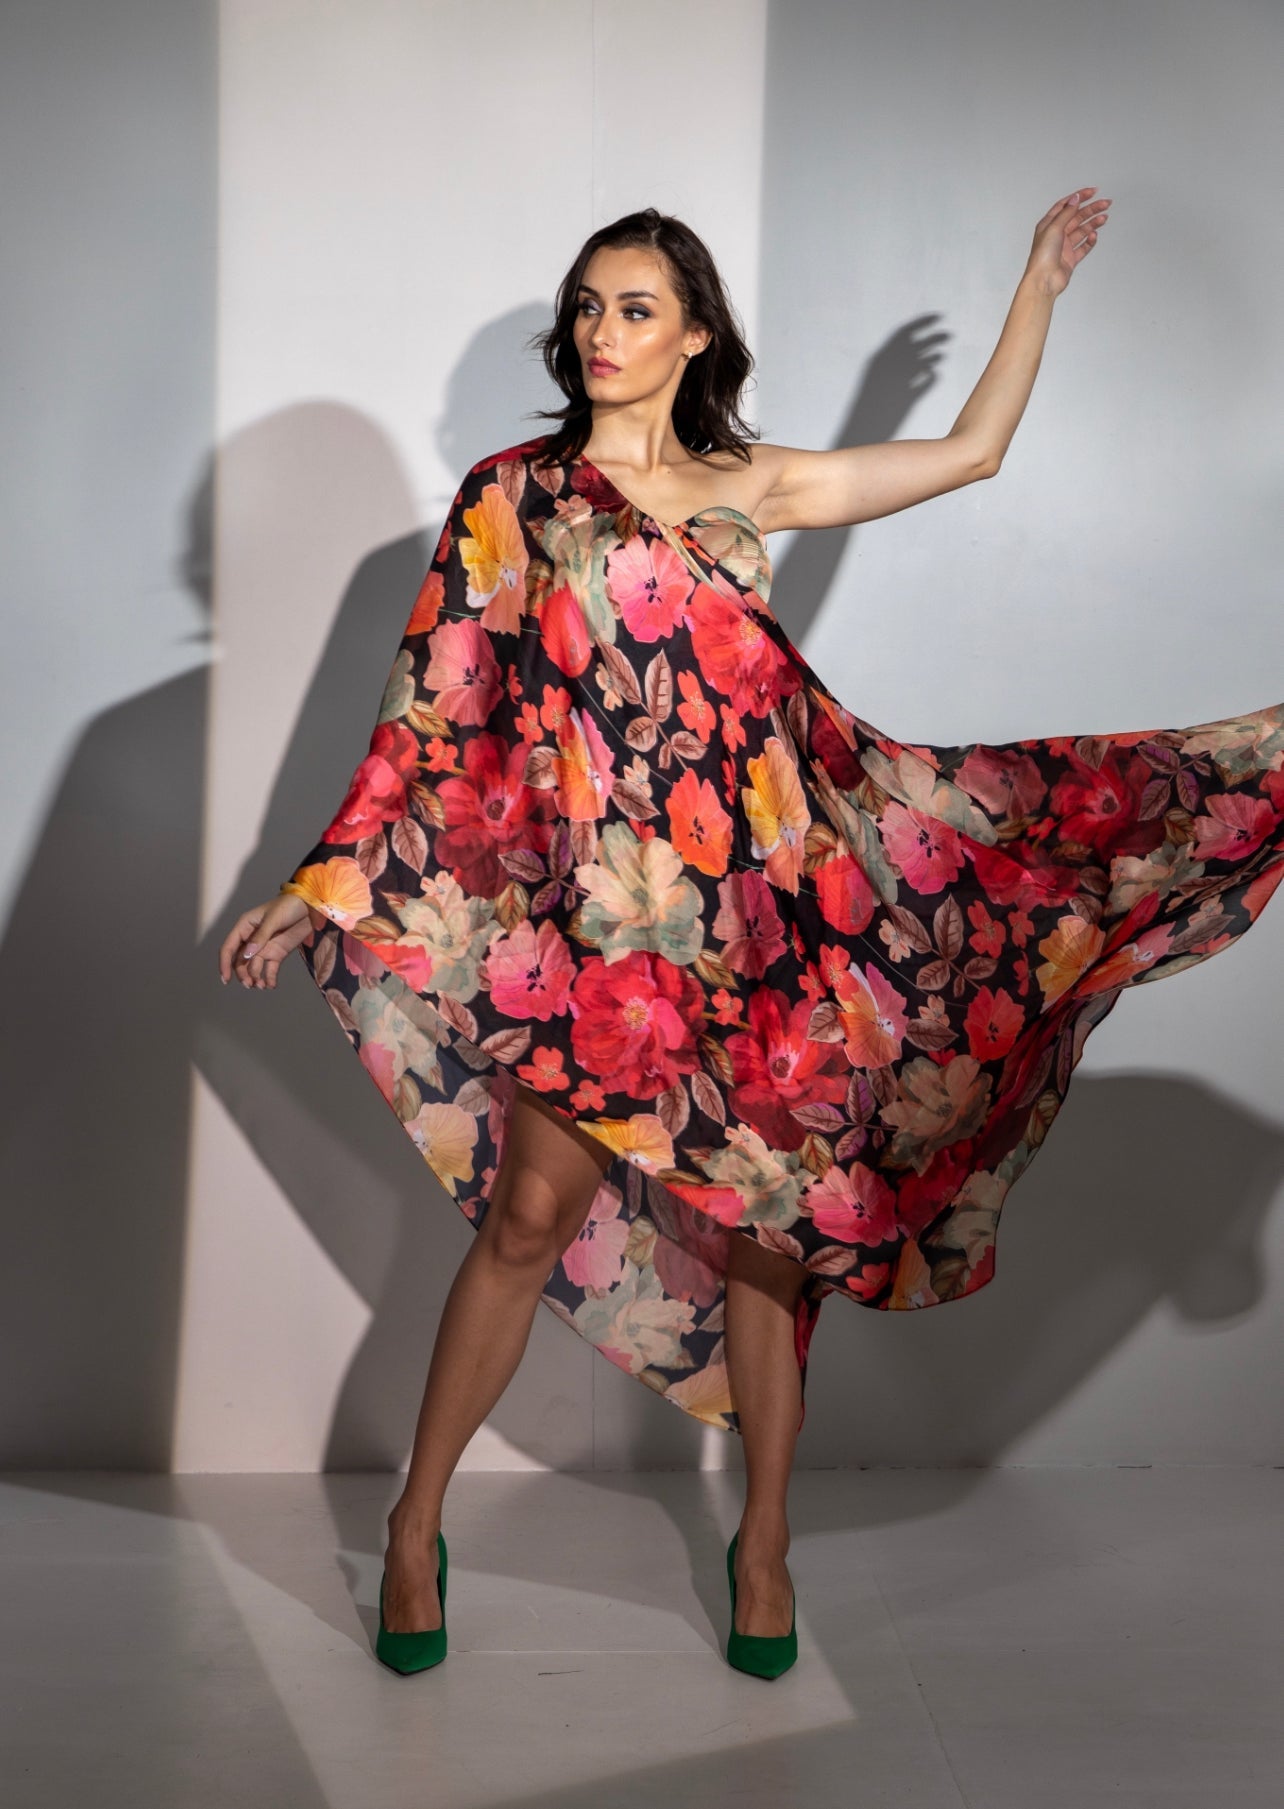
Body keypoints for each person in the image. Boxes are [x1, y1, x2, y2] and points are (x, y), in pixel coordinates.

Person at [219, 196, 1284, 1680]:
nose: (602, 332)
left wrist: (1037, 286)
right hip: (605, 939)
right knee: (525, 1223)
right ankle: (413, 1525)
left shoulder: (749, 485)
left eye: (636, 308)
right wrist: (322, 881)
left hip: (764, 929)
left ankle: (764, 1544)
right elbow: (430, 715)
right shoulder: (513, 497)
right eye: (588, 305)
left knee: (770, 1252)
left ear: (696, 335)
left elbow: (973, 455)